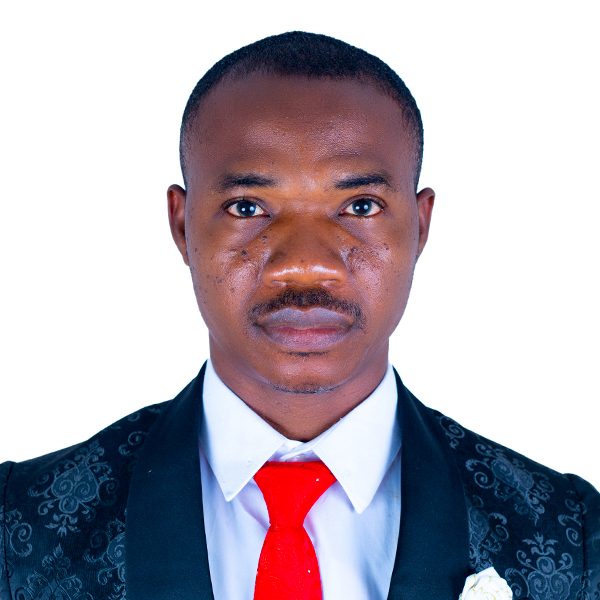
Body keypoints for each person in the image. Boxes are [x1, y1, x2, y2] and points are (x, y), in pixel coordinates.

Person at [1, 31, 598, 600]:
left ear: (419, 227)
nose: (305, 264)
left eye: (359, 206)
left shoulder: (572, 541)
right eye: (248, 207)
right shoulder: (18, 531)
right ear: (182, 226)